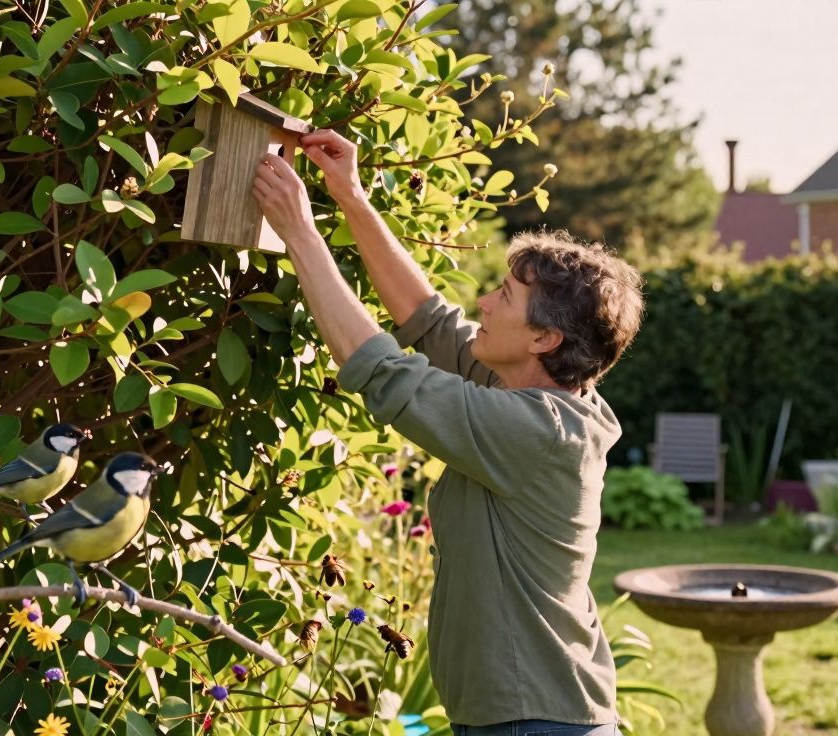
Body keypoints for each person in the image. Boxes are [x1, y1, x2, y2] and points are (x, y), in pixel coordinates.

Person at [252, 129, 644, 735]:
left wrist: (300, 233)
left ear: (545, 339)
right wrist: (351, 196)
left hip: (534, 722)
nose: (484, 302)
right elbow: (428, 321)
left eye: (504, 297)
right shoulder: (523, 390)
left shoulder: (538, 430)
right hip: (522, 714)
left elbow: (383, 371)